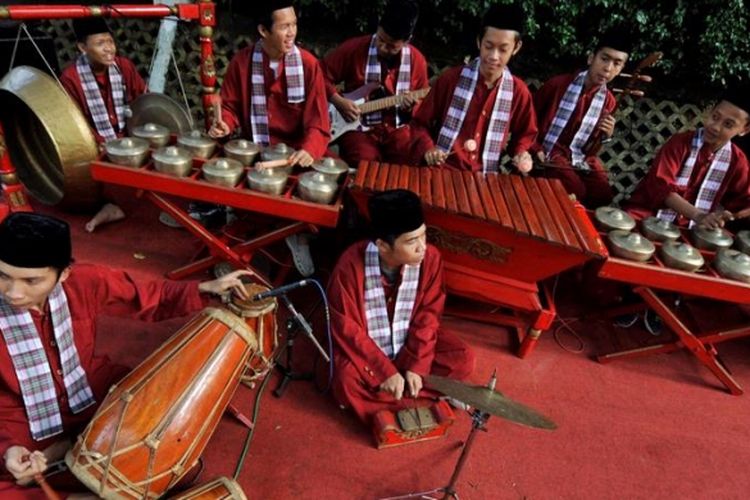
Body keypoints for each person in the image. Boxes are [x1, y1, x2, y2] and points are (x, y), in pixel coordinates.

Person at [0, 212, 252, 498]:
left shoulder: (83, 281)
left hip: (86, 387)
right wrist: (7, 449)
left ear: (64, 274)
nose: (13, 293)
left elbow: (144, 294)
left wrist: (204, 288)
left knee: (155, 393)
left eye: (31, 281)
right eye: (3, 276)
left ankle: (68, 450)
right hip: (18, 416)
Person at [328, 189, 475, 425]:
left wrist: (417, 365)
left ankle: (394, 395)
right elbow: (347, 328)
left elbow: (428, 316)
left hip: (407, 343)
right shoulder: (349, 266)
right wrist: (384, 371)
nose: (422, 248)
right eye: (411, 241)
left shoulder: (431, 258)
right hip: (368, 350)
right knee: (345, 380)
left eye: (423, 236)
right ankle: (421, 396)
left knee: (463, 357)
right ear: (383, 246)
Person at [208, 1, 331, 277]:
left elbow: (319, 121)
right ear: (263, 30)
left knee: (324, 185)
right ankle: (239, 236)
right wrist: (224, 124)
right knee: (229, 176)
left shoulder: (309, 65)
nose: (292, 33)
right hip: (257, 152)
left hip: (295, 156)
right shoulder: (242, 62)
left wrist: (309, 149)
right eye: (284, 26)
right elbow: (228, 107)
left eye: (294, 25)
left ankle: (297, 233)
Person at [409, 3, 537, 173]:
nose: (493, 56)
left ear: (516, 47)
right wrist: (428, 148)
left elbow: (526, 134)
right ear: (479, 41)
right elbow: (419, 123)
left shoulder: (518, 91)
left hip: (485, 178)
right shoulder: (450, 79)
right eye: (488, 46)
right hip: (442, 170)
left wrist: (521, 153)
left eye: (503, 49)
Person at [60, 18, 148, 233]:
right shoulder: (70, 78)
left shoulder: (124, 66)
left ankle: (116, 205)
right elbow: (74, 123)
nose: (109, 49)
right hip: (93, 144)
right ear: (82, 47)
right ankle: (112, 206)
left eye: (111, 42)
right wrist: (102, 144)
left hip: (128, 138)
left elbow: (143, 101)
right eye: (100, 43)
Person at [624, 85, 750, 229]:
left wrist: (732, 215)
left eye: (728, 124)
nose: (715, 126)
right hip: (648, 214)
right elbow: (662, 187)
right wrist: (698, 216)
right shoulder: (679, 143)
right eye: (715, 117)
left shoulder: (738, 160)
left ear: (744, 130)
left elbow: (744, 202)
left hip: (692, 228)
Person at [532, 28, 631, 206]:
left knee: (603, 194)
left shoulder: (608, 101)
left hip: (578, 158)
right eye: (604, 59)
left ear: (621, 69)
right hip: (548, 152)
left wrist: (606, 136)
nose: (608, 68)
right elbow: (527, 122)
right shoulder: (558, 85)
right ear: (591, 58)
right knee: (576, 189)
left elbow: (591, 150)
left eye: (617, 63)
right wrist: (534, 148)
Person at [322, 0, 428, 166]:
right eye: (380, 39)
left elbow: (424, 106)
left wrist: (412, 107)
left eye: (392, 46)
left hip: (396, 130)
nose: (383, 47)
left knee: (411, 161)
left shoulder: (417, 61)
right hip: (357, 129)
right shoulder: (355, 48)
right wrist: (338, 101)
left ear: (407, 41)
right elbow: (319, 75)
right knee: (365, 163)